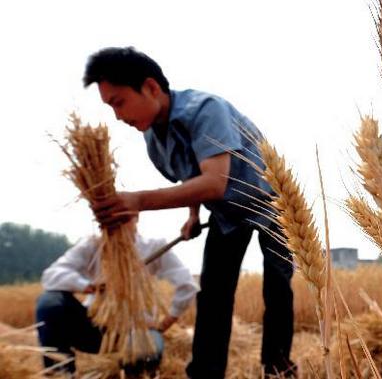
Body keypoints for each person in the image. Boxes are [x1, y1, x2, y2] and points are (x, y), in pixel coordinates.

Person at [81, 47, 296, 378]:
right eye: (110, 106)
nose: (117, 116)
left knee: (277, 286)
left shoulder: (206, 110)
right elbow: (192, 177)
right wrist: (193, 215)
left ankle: (278, 367)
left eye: (119, 102)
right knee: (213, 294)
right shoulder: (154, 137)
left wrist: (137, 200)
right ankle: (206, 373)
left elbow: (213, 182)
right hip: (226, 212)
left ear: (151, 88)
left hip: (271, 201)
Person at [36, 230, 199, 375]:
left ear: (135, 215)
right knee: (50, 303)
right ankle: (60, 373)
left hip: (138, 330)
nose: (115, 223)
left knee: (144, 354)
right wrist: (87, 285)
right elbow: (51, 275)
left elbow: (187, 285)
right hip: (95, 330)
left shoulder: (154, 246)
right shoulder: (92, 245)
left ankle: (137, 371)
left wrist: (166, 322)